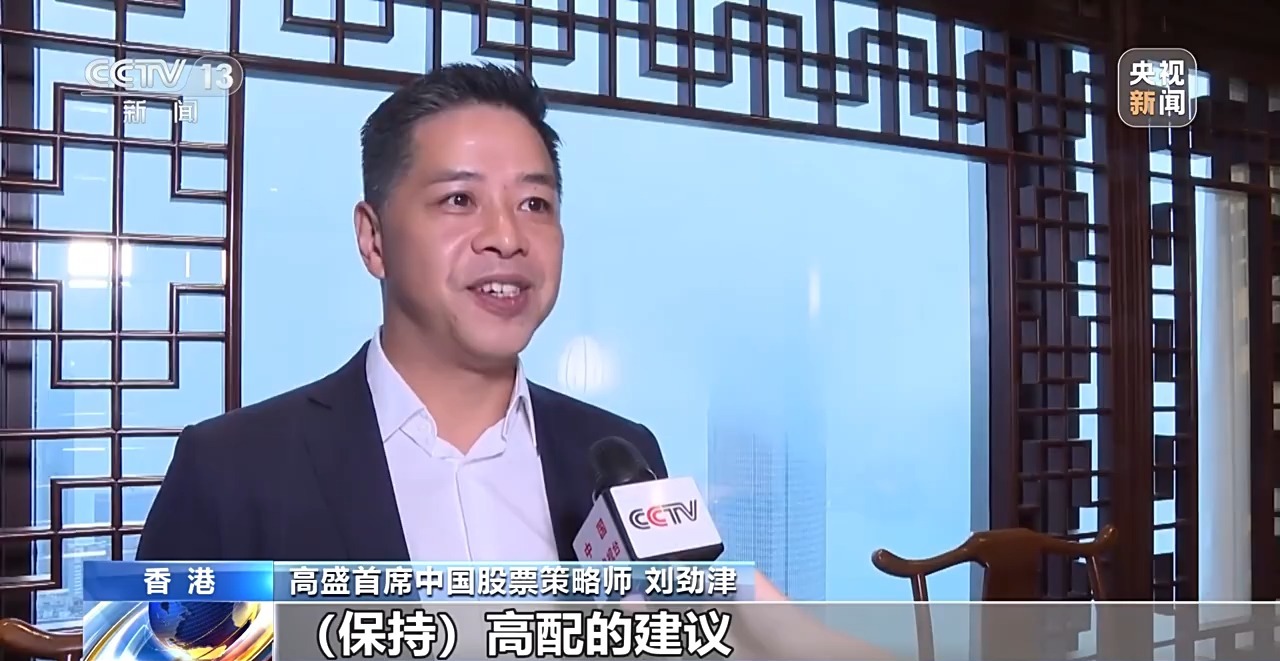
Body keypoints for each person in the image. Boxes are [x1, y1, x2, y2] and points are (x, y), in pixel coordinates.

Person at [137, 63, 891, 659]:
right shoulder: (232, 468)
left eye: (535, 204)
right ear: (373, 238)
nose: (507, 237)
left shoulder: (619, 455)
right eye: (459, 200)